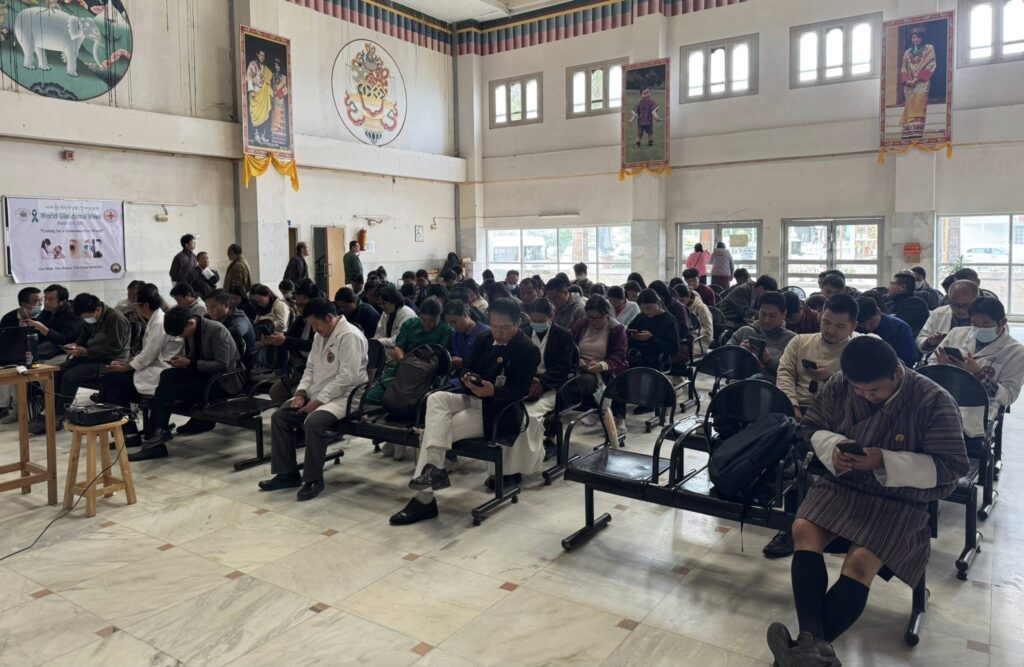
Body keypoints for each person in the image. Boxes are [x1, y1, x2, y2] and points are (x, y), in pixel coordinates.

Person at [767, 336, 967, 666]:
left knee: (860, 562)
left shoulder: (933, 400)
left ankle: (800, 653)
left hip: (901, 499)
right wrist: (834, 447)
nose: (864, 396)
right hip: (844, 483)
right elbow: (811, 427)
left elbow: (952, 468)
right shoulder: (840, 384)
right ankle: (811, 649)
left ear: (897, 373)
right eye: (858, 390)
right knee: (803, 529)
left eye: (874, 390)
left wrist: (885, 460)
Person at [390, 298, 540, 525]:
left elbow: (520, 391)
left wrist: (494, 391)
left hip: (497, 412)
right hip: (473, 397)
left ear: (517, 323)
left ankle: (424, 499)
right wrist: (468, 378)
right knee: (436, 398)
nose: (498, 332)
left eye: (504, 327)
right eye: (494, 325)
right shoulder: (484, 338)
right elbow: (467, 366)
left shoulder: (527, 349)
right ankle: (435, 469)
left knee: (435, 431)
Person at [258, 298, 368, 501]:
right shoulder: (320, 335)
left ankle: (313, 479)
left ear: (329, 317)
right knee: (280, 417)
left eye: (316, 324)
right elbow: (310, 369)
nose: (314, 330)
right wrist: (301, 394)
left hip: (346, 396)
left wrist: (317, 402)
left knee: (314, 423)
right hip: (318, 392)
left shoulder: (349, 336)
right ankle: (287, 474)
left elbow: (347, 378)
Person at [129, 307, 243, 460]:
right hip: (203, 376)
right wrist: (183, 361)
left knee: (166, 392)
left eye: (181, 333)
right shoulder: (191, 329)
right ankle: (158, 433)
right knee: (167, 376)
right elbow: (195, 357)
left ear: (190, 323)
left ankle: (156, 437)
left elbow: (222, 365)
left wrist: (190, 362)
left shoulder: (216, 330)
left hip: (222, 383)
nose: (181, 337)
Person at [934, 297, 1024, 438]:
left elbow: (1008, 396)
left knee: (953, 430)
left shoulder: (1016, 352)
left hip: (980, 409)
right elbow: (931, 364)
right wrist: (943, 367)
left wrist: (978, 373)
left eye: (986, 324)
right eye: (974, 323)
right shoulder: (956, 333)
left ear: (1002, 322)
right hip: (945, 396)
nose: (979, 329)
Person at [508, 297, 575, 484]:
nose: (536, 323)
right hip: (526, 383)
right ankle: (508, 464)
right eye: (533, 319)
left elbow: (563, 368)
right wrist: (527, 377)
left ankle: (525, 463)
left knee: (528, 416)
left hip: (552, 386)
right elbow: (516, 360)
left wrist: (542, 382)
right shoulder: (525, 332)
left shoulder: (563, 335)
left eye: (540, 320)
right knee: (508, 411)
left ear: (550, 316)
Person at [40, 294, 131, 433]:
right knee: (58, 371)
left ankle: (59, 415)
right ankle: (50, 411)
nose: (85, 319)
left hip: (111, 361)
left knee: (70, 376)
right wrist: (75, 345)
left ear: (98, 310)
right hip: (90, 356)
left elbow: (115, 347)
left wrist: (87, 351)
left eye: (86, 316)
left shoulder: (115, 319)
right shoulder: (89, 318)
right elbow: (84, 336)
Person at [99, 285, 183, 428]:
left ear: (145, 306)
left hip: (161, 371)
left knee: (111, 381)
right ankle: (124, 430)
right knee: (112, 388)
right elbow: (146, 352)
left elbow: (149, 354)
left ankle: (123, 428)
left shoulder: (159, 323)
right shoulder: (154, 320)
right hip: (150, 367)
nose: (133, 306)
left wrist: (126, 367)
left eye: (135, 303)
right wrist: (127, 363)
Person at [776, 294, 860, 421]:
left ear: (853, 326)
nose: (831, 330)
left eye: (839, 326)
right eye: (826, 322)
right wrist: (791, 404)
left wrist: (831, 378)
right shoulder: (800, 341)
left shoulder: (858, 351)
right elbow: (785, 373)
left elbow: (860, 390)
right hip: (797, 406)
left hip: (835, 414)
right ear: (820, 317)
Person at [365, 297, 452, 406]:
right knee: (370, 397)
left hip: (427, 375)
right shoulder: (410, 324)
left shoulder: (446, 330)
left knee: (409, 402)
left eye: (432, 321)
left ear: (439, 317)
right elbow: (399, 347)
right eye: (423, 319)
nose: (427, 324)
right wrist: (403, 361)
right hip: (404, 368)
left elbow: (442, 357)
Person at [570, 295, 629, 436]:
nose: (594, 321)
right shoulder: (582, 324)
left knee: (616, 379)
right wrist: (577, 359)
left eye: (598, 318)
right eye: (590, 317)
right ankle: (594, 409)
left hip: (606, 366)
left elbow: (619, 354)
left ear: (607, 315)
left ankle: (618, 418)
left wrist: (602, 365)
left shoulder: (616, 329)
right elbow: (569, 344)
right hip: (582, 366)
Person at [263, 281, 320, 401]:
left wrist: (286, 341)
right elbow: (289, 335)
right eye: (297, 305)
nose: (299, 309)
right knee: (275, 393)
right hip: (300, 368)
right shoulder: (301, 319)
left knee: (296, 396)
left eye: (303, 305)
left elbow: (314, 344)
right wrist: (276, 338)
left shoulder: (321, 320)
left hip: (317, 371)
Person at [728, 291, 796, 383]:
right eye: (763, 314)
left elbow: (793, 373)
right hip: (739, 384)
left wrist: (769, 360)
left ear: (784, 314)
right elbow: (723, 360)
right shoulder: (744, 331)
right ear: (757, 312)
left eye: (772, 315)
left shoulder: (792, 340)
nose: (767, 320)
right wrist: (738, 353)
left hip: (772, 387)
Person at [917, 279, 978, 356]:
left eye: (966, 305)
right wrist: (930, 342)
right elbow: (920, 340)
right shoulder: (939, 313)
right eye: (955, 304)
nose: (960, 310)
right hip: (939, 360)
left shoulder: (986, 318)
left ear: (976, 301)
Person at [25, 284, 84, 361]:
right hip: (49, 343)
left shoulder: (74, 314)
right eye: (45, 298)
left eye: (51, 299)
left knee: (34, 353)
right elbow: (38, 327)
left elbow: (64, 339)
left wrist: (44, 329)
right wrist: (29, 325)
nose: (46, 302)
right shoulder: (48, 310)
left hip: (65, 347)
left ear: (62, 302)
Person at [899, 26, 937, 141]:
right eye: (913, 37)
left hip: (921, 82)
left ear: (922, 38)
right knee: (910, 105)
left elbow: (931, 64)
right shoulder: (907, 52)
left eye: (918, 37)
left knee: (919, 104)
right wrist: (908, 80)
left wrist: (917, 79)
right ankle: (908, 132)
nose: (915, 39)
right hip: (909, 85)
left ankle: (917, 132)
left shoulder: (929, 48)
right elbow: (904, 68)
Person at [856, 297, 918, 367]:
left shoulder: (899, 328)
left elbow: (909, 359)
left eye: (870, 323)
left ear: (878, 312)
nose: (867, 328)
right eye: (863, 325)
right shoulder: (854, 327)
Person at [447, 299, 490, 382]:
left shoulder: (485, 333)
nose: (453, 326)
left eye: (454, 322)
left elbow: (484, 362)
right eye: (450, 324)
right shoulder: (455, 335)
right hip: (456, 376)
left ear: (465, 314)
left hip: (475, 378)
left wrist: (463, 362)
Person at [206, 289, 256, 360]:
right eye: (207, 307)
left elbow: (238, 330)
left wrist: (211, 335)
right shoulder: (211, 316)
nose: (209, 311)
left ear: (226, 304)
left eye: (213, 306)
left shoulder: (239, 317)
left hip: (243, 363)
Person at [374, 286, 416, 358]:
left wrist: (379, 341)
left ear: (393, 301)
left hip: (405, 349)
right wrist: (374, 340)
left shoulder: (406, 313)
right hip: (391, 346)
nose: (381, 307)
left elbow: (399, 339)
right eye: (379, 304)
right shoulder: (385, 313)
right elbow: (379, 332)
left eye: (384, 303)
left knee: (379, 352)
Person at [886, 272, 930, 337]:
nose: (888, 287)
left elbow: (895, 327)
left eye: (891, 284)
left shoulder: (915, 303)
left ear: (902, 287)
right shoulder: (892, 303)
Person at [675, 284, 712, 358]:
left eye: (682, 300)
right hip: (684, 339)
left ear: (688, 297)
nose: (680, 303)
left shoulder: (701, 307)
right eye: (677, 301)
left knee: (678, 353)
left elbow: (708, 329)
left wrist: (691, 333)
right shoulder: (678, 307)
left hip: (700, 340)